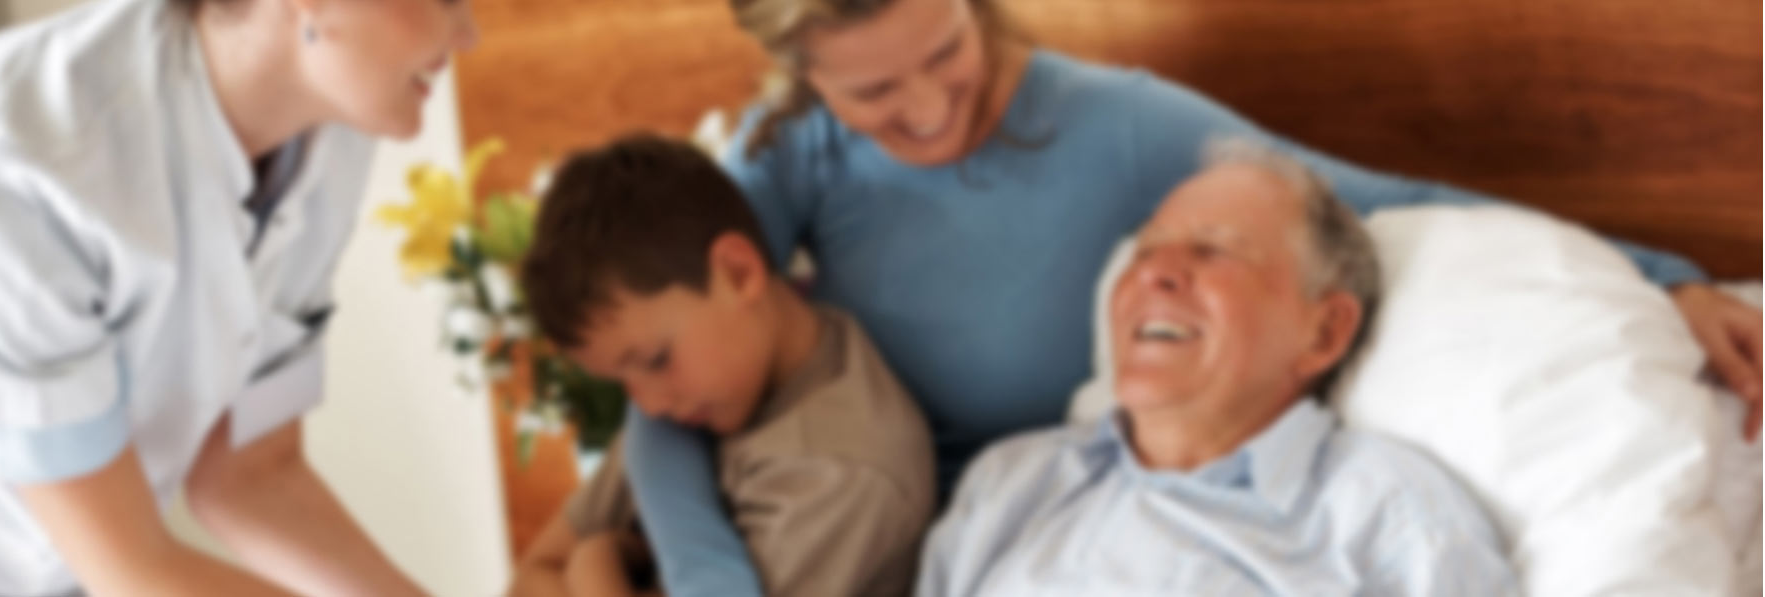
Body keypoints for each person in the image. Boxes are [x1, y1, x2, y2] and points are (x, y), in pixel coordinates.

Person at [617, 0, 1765, 593]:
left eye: (947, 49)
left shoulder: (1116, 127)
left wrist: (1665, 275)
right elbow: (661, 385)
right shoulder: (789, 158)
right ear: (803, 77)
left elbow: (1385, 199)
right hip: (911, 550)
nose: (928, 108)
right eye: (874, 91)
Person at [0, 0, 477, 594]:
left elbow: (252, 474)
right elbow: (131, 573)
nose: (469, 35)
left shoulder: (327, 131)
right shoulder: (14, 175)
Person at [916, 139, 1517, 596]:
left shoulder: (1387, 513)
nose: (1154, 273)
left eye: (1215, 250)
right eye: (1146, 250)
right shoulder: (1013, 481)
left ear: (1325, 331)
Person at [508, 134, 934, 597]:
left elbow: (554, 569)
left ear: (738, 273)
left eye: (656, 360)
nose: (648, 405)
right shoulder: (692, 401)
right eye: (620, 382)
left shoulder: (842, 473)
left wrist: (595, 559)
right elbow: (531, 575)